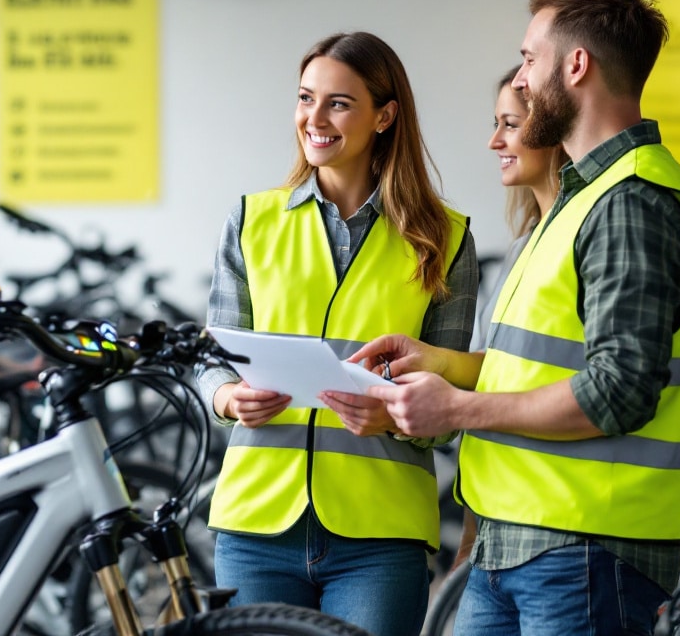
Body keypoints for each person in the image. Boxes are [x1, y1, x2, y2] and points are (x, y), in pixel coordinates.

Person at [353, 0, 680, 635]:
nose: (521, 80)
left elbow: (618, 392)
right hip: (519, 542)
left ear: (575, 65)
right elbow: (542, 363)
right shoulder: (586, 195)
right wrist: (444, 363)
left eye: (529, 59)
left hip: (584, 550)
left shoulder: (633, 201)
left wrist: (459, 408)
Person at [197, 31, 479, 636]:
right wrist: (228, 398)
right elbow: (209, 362)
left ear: (385, 115)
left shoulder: (446, 239)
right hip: (256, 527)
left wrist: (397, 417)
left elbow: (454, 404)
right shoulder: (250, 221)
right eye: (305, 98)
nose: (314, 118)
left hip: (379, 536)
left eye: (338, 103)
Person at [452, 65, 569, 572]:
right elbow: (494, 377)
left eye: (511, 124)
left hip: (553, 525)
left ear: (554, 132)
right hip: (498, 514)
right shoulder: (524, 247)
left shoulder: (575, 239)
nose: (495, 140)